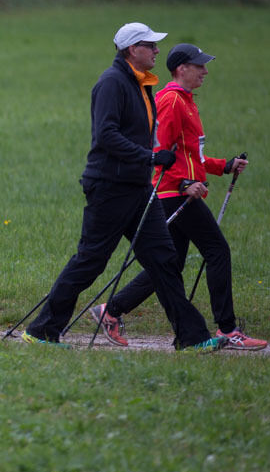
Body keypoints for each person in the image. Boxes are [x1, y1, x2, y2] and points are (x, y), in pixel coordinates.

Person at [21, 22, 227, 352]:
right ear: (133, 50)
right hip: (109, 187)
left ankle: (192, 337)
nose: (158, 51)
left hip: (137, 188)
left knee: (163, 259)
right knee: (90, 262)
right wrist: (150, 156)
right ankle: (43, 330)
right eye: (151, 46)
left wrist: (155, 158)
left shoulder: (140, 85)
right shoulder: (112, 83)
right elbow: (106, 135)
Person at [90, 43, 266, 350]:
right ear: (181, 68)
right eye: (199, 66)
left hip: (180, 191)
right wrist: (184, 183)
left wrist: (223, 166)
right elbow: (159, 153)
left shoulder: (186, 101)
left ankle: (111, 310)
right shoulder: (170, 101)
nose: (205, 71)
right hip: (174, 194)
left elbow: (190, 156)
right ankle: (227, 329)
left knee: (169, 264)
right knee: (217, 250)